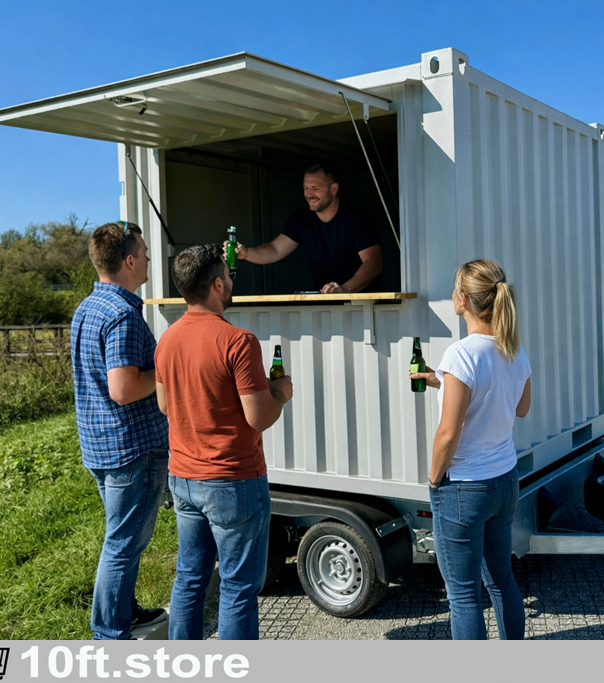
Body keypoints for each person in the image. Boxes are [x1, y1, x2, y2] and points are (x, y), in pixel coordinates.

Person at [154, 244, 293, 640]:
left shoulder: (167, 340)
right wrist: (279, 391)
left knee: (189, 579)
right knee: (236, 588)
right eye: (228, 278)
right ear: (217, 284)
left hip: (183, 478)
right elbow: (259, 416)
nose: (231, 283)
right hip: (232, 480)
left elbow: (166, 406)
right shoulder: (238, 341)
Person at [410, 259, 532, 640]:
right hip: (504, 481)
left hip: (464, 488)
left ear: (462, 300)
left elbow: (448, 434)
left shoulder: (461, 354)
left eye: (453, 291)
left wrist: (432, 481)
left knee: (463, 596)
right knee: (501, 581)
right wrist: (439, 381)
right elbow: (519, 407)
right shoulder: (512, 348)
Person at [70, 221, 170, 640]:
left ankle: (124, 612)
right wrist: (165, 372)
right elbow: (124, 387)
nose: (148, 257)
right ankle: (109, 636)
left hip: (99, 446)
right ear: (128, 261)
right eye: (144, 252)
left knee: (121, 538)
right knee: (123, 543)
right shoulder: (122, 314)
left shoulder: (87, 308)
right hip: (132, 449)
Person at [228, 163, 383, 293]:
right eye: (305, 188)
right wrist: (246, 253)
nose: (309, 194)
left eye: (315, 188)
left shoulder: (356, 217)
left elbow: (373, 262)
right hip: (325, 304)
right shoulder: (301, 219)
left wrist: (344, 289)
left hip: (364, 305)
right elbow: (275, 250)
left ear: (333, 189)